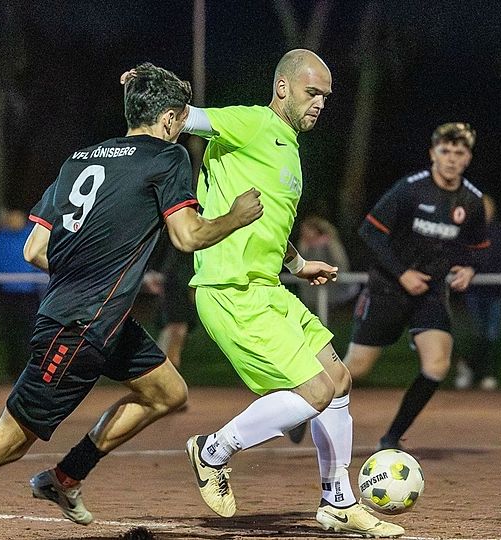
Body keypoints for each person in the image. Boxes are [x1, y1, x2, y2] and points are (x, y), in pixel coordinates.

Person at [0, 62, 263, 540]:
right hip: (80, 327)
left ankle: (65, 478)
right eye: (181, 116)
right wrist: (235, 217)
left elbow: (34, 250)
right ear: (169, 119)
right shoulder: (166, 159)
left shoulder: (80, 159)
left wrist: (87, 276)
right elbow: (187, 237)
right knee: (7, 441)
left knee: (168, 392)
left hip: (96, 319)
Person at [152, 49, 404, 537]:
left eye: (326, 98)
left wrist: (299, 264)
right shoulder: (249, 123)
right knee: (314, 391)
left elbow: (272, 225)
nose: (320, 104)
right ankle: (212, 451)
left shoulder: (288, 147)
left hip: (266, 288)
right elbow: (184, 118)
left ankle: (337, 501)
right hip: (230, 290)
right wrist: (150, 85)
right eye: (312, 93)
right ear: (283, 87)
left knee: (339, 378)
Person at [343, 122, 489, 451]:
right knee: (356, 369)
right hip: (388, 288)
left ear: (468, 158)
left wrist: (469, 268)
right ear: (433, 154)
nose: (452, 158)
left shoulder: (472, 201)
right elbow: (369, 231)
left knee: (437, 365)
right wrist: (402, 272)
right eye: (445, 151)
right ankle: (300, 410)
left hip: (430, 293)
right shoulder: (410, 189)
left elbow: (478, 249)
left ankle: (391, 437)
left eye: (459, 153)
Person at [453, 194, 501, 391]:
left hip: (496, 292)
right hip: (472, 292)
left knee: (491, 334)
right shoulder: (465, 233)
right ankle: (473, 370)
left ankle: (479, 371)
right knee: (477, 333)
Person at [0, 208, 42, 381]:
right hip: (6, 296)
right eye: (11, 215)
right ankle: (13, 372)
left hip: (28, 296)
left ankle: (29, 373)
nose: (14, 219)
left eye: (17, 215)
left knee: (29, 336)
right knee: (10, 336)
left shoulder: (33, 235)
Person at [296, 216, 359, 311]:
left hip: (333, 286)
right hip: (312, 290)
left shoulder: (330, 243)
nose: (304, 233)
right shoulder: (304, 245)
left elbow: (341, 264)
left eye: (307, 230)